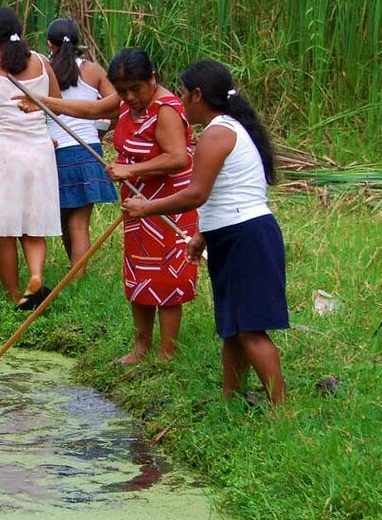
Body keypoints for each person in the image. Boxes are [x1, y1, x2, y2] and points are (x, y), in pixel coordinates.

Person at [122, 60, 288, 405]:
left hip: (248, 237)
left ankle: (281, 410)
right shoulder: (223, 130)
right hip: (233, 234)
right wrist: (204, 235)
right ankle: (231, 399)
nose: (180, 99)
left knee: (250, 329)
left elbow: (197, 194)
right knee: (232, 328)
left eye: (184, 93)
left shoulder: (218, 133)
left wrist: (146, 207)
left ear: (198, 94)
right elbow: (227, 195)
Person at [31, 48, 199, 363]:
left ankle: (167, 353)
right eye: (122, 90)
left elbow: (178, 157)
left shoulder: (166, 109)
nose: (130, 96)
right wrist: (42, 102)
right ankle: (141, 347)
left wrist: (130, 170)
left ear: (152, 78)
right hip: (136, 206)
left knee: (167, 279)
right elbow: (90, 110)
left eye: (136, 89)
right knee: (140, 274)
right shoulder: (123, 103)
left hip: (167, 205)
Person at [0, 8, 62, 309]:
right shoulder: (43, 63)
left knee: (4, 230)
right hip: (39, 152)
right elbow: (57, 106)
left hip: (1, 154)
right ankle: (35, 275)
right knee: (33, 223)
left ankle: (12, 295)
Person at [42, 18, 119, 267]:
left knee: (66, 219)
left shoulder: (43, 70)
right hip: (87, 150)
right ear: (78, 43)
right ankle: (77, 276)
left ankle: (75, 274)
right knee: (79, 223)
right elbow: (116, 105)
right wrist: (100, 131)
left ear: (49, 44)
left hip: (56, 151)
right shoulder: (94, 70)